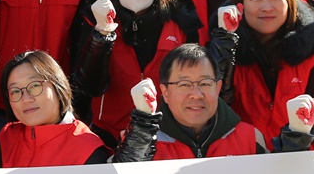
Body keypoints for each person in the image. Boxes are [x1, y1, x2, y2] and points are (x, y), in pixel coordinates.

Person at [70, 0, 212, 146]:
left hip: (169, 135)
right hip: (108, 135)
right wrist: (101, 35)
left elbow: (194, 78)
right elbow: (88, 86)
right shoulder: (96, 14)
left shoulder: (181, 16)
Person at [225, 0, 314, 145]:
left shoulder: (311, 49)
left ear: (290, 1)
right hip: (241, 156)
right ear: (240, 4)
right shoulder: (223, 47)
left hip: (298, 156)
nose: (267, 7)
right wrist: (222, 49)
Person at [114, 43, 266, 161]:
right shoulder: (139, 141)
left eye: (205, 84)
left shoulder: (250, 139)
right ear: (165, 92)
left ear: (218, 87)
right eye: (184, 85)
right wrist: (139, 137)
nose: (196, 95)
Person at [0, 51, 109, 167]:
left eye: (35, 86)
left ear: (58, 86)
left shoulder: (87, 148)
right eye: (15, 91)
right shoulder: (7, 136)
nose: (26, 98)